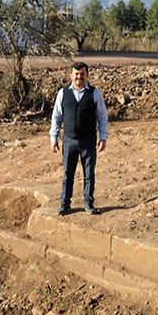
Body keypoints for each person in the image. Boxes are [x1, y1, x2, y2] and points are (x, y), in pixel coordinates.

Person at [49, 62, 108, 215]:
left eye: (82, 74)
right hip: (69, 141)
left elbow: (102, 116)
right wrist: (53, 137)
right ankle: (65, 204)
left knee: (89, 174)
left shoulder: (95, 93)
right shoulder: (63, 93)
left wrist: (103, 137)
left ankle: (89, 203)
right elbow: (56, 116)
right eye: (76, 74)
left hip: (88, 141)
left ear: (87, 76)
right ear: (71, 76)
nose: (79, 77)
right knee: (68, 174)